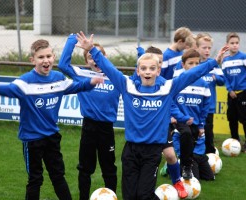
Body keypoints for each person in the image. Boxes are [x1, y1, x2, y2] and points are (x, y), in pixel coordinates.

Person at [76, 31, 228, 200]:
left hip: (152, 152)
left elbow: (191, 74)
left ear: (158, 71)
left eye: (152, 68)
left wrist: (214, 62)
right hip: (131, 150)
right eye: (143, 68)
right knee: (130, 196)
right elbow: (108, 68)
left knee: (144, 195)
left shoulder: (167, 88)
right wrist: (91, 49)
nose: (147, 71)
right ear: (138, 71)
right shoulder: (128, 86)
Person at [0, 39, 103, 200]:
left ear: (53, 57)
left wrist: (91, 82)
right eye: (41, 57)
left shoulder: (58, 78)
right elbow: (8, 90)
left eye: (48, 56)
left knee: (58, 176)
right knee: (36, 179)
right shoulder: (25, 82)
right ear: (33, 60)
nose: (46, 60)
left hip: (52, 137)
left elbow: (76, 86)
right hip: (32, 140)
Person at [58, 34, 120, 200]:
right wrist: (72, 40)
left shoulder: (116, 77)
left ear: (104, 57)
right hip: (89, 127)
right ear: (87, 62)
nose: (94, 60)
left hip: (107, 129)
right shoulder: (82, 74)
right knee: (85, 168)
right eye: (90, 57)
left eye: (98, 55)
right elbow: (62, 64)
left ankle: (111, 196)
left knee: (109, 168)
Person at [135, 45, 188, 199]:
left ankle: (177, 180)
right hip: (142, 130)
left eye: (158, 63)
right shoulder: (136, 81)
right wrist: (140, 52)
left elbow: (171, 105)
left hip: (160, 127)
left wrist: (180, 117)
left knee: (170, 155)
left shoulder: (165, 83)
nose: (152, 67)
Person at [171, 49, 211, 180]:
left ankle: (173, 165)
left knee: (209, 177)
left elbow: (205, 108)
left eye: (197, 64)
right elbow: (170, 101)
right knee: (186, 136)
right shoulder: (177, 82)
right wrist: (175, 117)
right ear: (183, 65)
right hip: (180, 122)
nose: (194, 67)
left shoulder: (204, 84)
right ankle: (184, 168)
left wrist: (200, 125)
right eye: (190, 63)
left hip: (195, 124)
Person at [221, 32, 246, 153]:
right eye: (232, 43)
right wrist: (230, 89)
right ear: (227, 45)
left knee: (245, 118)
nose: (235, 45)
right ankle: (235, 141)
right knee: (232, 118)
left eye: (237, 43)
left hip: (243, 92)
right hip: (232, 94)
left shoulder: (244, 57)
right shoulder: (225, 60)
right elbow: (225, 77)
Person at [195, 33, 226, 154]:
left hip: (208, 108)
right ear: (197, 48)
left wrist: (216, 78)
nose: (207, 50)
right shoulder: (193, 64)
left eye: (209, 48)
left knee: (208, 133)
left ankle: (210, 157)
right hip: (194, 106)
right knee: (194, 134)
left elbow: (222, 81)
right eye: (204, 47)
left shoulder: (214, 65)